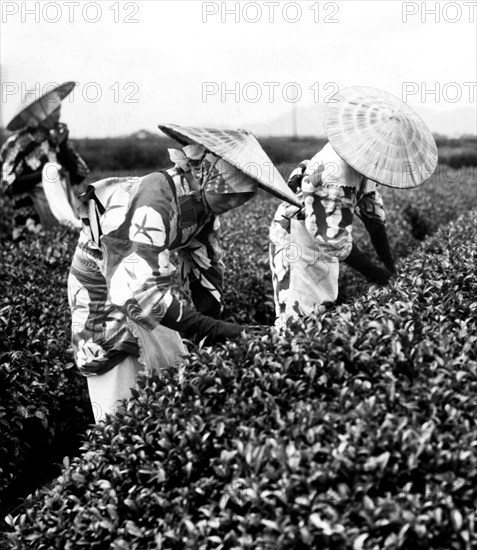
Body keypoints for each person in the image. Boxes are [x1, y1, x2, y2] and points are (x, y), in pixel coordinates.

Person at [68, 124, 299, 422]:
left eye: (241, 199)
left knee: (171, 376)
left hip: (144, 286)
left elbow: (206, 268)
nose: (233, 204)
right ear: (205, 174)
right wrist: (217, 330)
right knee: (119, 381)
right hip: (105, 289)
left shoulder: (202, 207)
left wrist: (214, 332)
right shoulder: (155, 195)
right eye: (229, 195)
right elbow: (137, 291)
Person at [270, 86, 438, 327]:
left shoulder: (366, 161)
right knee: (299, 313)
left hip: (319, 231)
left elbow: (373, 218)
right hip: (297, 234)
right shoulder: (332, 173)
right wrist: (379, 275)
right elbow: (333, 239)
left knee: (324, 302)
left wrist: (391, 267)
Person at [0, 82, 89, 236]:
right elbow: (6, 185)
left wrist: (63, 147)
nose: (57, 115)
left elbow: (80, 175)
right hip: (31, 222)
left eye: (58, 109)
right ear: (37, 113)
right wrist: (44, 174)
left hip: (66, 217)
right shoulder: (17, 144)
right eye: (52, 110)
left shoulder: (58, 140)